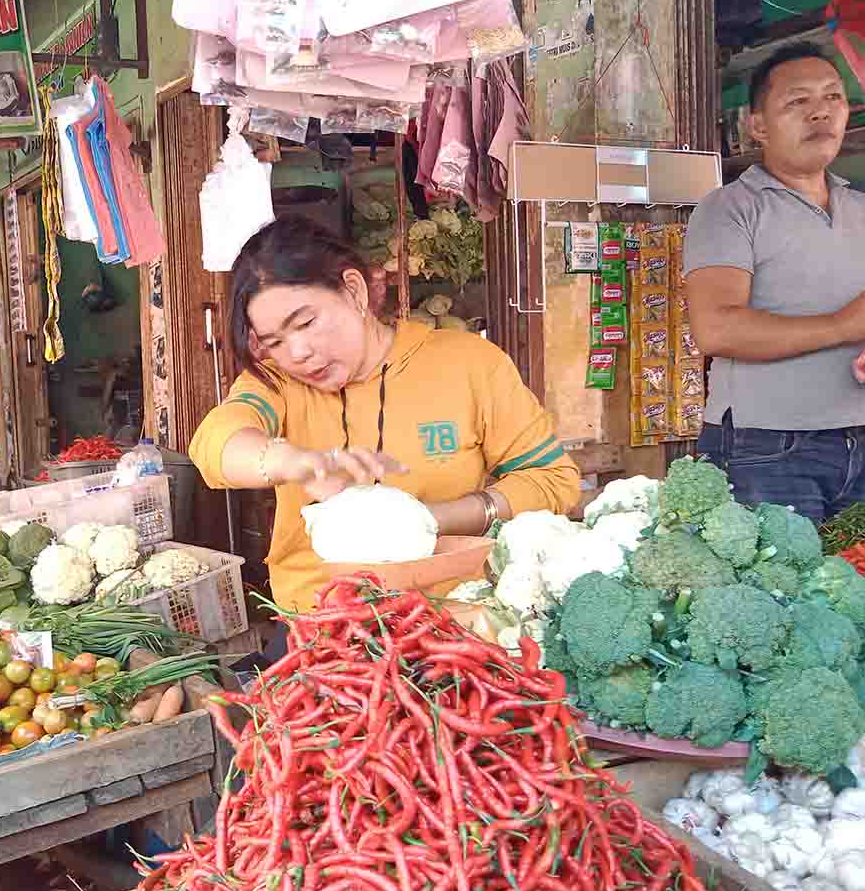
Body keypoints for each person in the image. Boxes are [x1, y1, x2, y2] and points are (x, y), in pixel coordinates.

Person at [188, 215, 580, 624]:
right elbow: (216, 444)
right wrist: (291, 461)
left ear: (353, 290)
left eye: (305, 323)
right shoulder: (276, 383)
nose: (298, 352)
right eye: (274, 342)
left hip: (452, 624)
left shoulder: (469, 363)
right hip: (319, 630)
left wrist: (429, 519)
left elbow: (553, 480)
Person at [685, 41, 865, 521]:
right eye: (798, 101)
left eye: (833, 98)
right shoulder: (730, 208)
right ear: (758, 126)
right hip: (764, 445)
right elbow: (716, 329)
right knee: (775, 593)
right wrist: (845, 323)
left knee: (849, 592)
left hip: (862, 440)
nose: (820, 113)